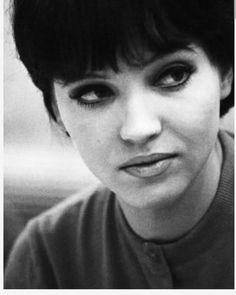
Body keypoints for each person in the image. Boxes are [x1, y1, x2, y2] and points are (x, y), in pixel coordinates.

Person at [5, 0, 234, 289]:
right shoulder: (46, 259)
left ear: (225, 71)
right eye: (94, 92)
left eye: (173, 75)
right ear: (56, 109)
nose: (139, 129)